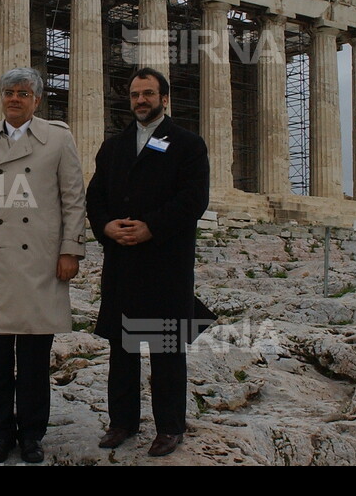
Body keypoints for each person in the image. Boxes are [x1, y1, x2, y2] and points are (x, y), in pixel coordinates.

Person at [0, 67, 86, 464]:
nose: (15, 98)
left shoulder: (59, 139)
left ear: (37, 100)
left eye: (23, 93)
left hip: (40, 261)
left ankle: (31, 434)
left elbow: (73, 199)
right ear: (2, 97)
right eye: (9, 92)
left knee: (33, 357)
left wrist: (71, 250)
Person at [85, 67, 215, 457]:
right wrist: (106, 226)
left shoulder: (187, 144)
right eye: (135, 94)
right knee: (121, 348)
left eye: (148, 94)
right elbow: (95, 198)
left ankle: (169, 427)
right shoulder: (113, 147)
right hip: (122, 260)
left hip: (164, 261)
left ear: (164, 98)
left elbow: (194, 199)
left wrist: (151, 228)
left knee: (165, 349)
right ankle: (121, 423)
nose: (141, 100)